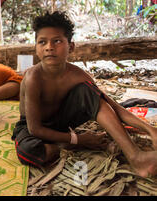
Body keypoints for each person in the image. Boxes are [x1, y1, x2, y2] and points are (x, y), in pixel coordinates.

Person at [12, 11, 157, 177]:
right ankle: (65, 145)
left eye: (57, 41)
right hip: (33, 128)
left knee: (88, 91)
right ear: (36, 48)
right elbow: (35, 129)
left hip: (63, 121)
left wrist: (150, 129)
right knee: (28, 152)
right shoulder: (33, 78)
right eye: (42, 42)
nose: (49, 47)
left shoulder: (78, 75)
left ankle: (135, 156)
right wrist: (78, 140)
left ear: (71, 47)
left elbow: (112, 106)